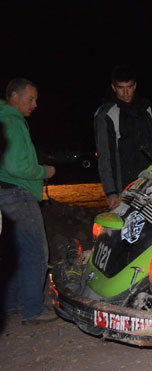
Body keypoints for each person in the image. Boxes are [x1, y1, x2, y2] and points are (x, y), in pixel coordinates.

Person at [0, 78, 58, 325]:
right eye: (31, 99)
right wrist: (44, 171)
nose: (35, 104)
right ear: (14, 96)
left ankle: (13, 302)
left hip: (4, 192)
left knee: (16, 251)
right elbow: (16, 166)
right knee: (35, 251)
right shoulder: (12, 121)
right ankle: (33, 309)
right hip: (17, 193)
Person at [94, 65, 152, 209]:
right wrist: (111, 192)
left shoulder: (145, 108)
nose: (126, 93)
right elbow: (105, 156)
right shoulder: (106, 114)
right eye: (121, 88)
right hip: (124, 186)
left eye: (129, 87)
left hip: (151, 181)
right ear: (113, 87)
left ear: (135, 86)